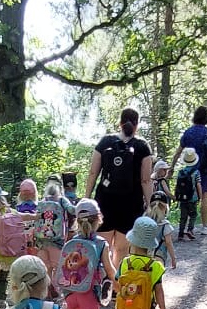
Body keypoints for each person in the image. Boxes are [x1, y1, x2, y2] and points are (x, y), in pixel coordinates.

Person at [85, 104, 152, 267]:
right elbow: (146, 180)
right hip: (131, 203)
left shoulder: (105, 142)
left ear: (120, 123)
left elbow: (93, 173)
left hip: (105, 201)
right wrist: (150, 205)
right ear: (136, 125)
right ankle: (117, 281)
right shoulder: (142, 146)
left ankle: (102, 280)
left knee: (103, 246)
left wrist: (86, 198)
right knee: (122, 249)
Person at [56, 199, 114, 309]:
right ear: (98, 219)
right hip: (89, 292)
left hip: (70, 291)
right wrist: (118, 283)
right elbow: (110, 270)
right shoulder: (101, 243)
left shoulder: (72, 241)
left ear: (77, 221)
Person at [169, 104, 207, 235]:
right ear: (206, 118)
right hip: (206, 170)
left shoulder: (188, 133)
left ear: (195, 117)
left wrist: (172, 167)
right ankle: (204, 226)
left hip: (190, 169)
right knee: (204, 197)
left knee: (189, 197)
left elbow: (178, 152)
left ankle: (185, 227)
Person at [33, 178, 70, 282]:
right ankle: (57, 288)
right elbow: (72, 210)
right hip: (57, 241)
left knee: (45, 268)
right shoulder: (62, 200)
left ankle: (46, 288)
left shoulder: (43, 201)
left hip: (41, 241)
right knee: (58, 267)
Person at [174, 147, 202, 242]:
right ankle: (190, 230)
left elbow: (177, 186)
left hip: (182, 198)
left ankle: (180, 234)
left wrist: (176, 196)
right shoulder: (196, 172)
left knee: (183, 216)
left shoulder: (180, 172)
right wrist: (200, 197)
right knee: (193, 214)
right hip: (192, 198)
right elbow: (198, 185)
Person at [148, 187, 178, 270]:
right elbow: (168, 242)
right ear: (165, 208)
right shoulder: (165, 225)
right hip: (159, 257)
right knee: (157, 277)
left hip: (144, 257)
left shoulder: (145, 222)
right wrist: (173, 258)